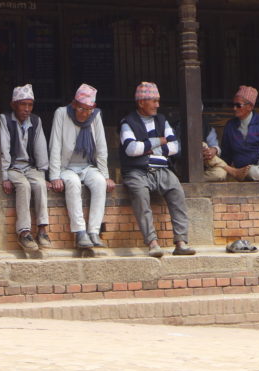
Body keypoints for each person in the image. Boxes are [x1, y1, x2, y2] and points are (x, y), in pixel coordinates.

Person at [119, 82, 195, 257]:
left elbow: (175, 146)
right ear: (141, 103)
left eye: (158, 101)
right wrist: (160, 141)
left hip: (162, 169)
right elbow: (131, 150)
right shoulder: (127, 122)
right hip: (136, 171)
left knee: (177, 192)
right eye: (153, 101)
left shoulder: (161, 119)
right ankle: (152, 243)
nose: (157, 105)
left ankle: (181, 242)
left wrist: (146, 148)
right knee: (140, 196)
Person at [49, 84, 115, 248]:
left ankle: (94, 231)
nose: (85, 113)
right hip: (67, 167)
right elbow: (55, 145)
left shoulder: (95, 116)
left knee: (100, 183)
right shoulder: (61, 114)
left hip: (87, 166)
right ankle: (80, 233)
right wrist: (55, 176)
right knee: (73, 183)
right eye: (82, 109)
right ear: (74, 104)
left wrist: (105, 175)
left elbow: (101, 148)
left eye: (89, 109)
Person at [0, 84, 51, 251]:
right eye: (23, 104)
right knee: (23, 185)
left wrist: (43, 173)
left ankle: (42, 229)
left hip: (29, 167)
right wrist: (4, 177)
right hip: (12, 168)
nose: (27, 109)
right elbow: (3, 150)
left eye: (30, 105)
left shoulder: (35, 121)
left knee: (39, 184)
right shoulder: (5, 120)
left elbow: (40, 148)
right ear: (13, 104)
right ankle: (24, 233)